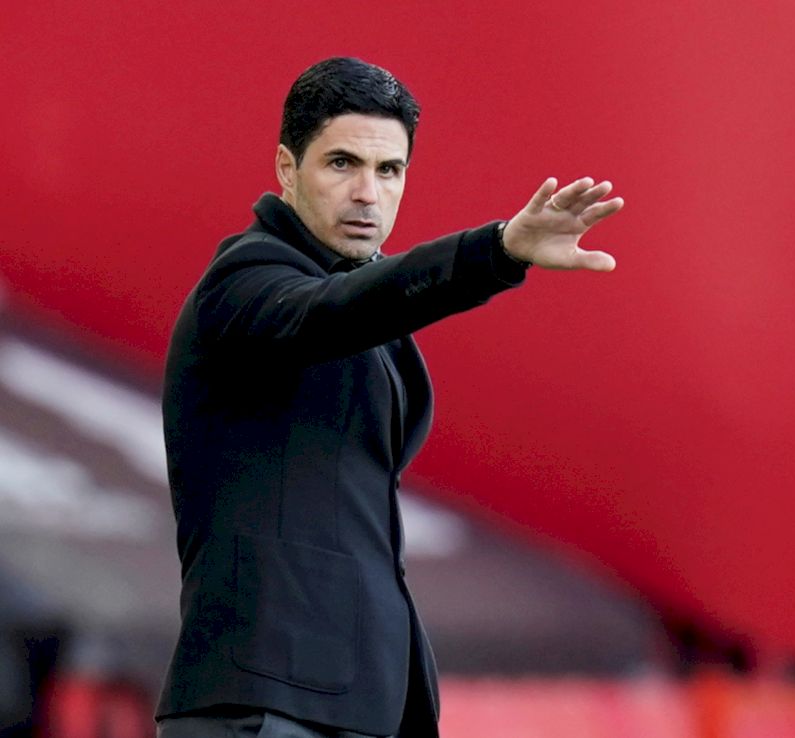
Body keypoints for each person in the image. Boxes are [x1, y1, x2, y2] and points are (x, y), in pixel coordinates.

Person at [155, 56, 623, 738]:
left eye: (389, 170)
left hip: (361, 703)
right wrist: (496, 252)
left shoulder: (371, 313)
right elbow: (334, 312)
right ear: (287, 169)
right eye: (342, 164)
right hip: (263, 705)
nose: (368, 194)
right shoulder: (245, 281)